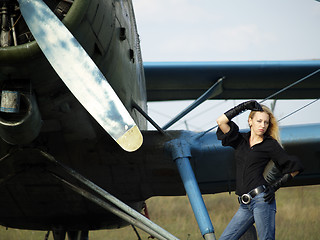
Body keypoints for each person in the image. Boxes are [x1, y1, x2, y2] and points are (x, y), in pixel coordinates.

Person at [216, 100, 304, 240]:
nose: (262, 125)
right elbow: (221, 121)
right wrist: (244, 106)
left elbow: (295, 167)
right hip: (244, 205)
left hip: (262, 200)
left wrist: (275, 187)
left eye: (266, 122)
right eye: (259, 121)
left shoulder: (270, 144)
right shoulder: (240, 140)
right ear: (250, 121)